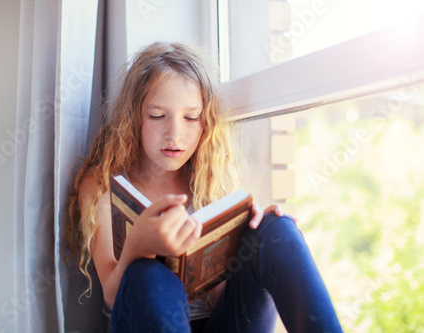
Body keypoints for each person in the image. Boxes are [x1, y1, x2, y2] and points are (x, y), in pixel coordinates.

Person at [68, 42, 343, 332]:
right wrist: (138, 247)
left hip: (218, 324)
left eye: (190, 118)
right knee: (148, 274)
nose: (174, 134)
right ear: (134, 117)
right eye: (157, 116)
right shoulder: (101, 185)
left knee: (277, 228)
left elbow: (219, 295)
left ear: (205, 122)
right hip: (145, 322)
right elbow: (112, 294)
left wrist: (252, 234)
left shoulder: (208, 178)